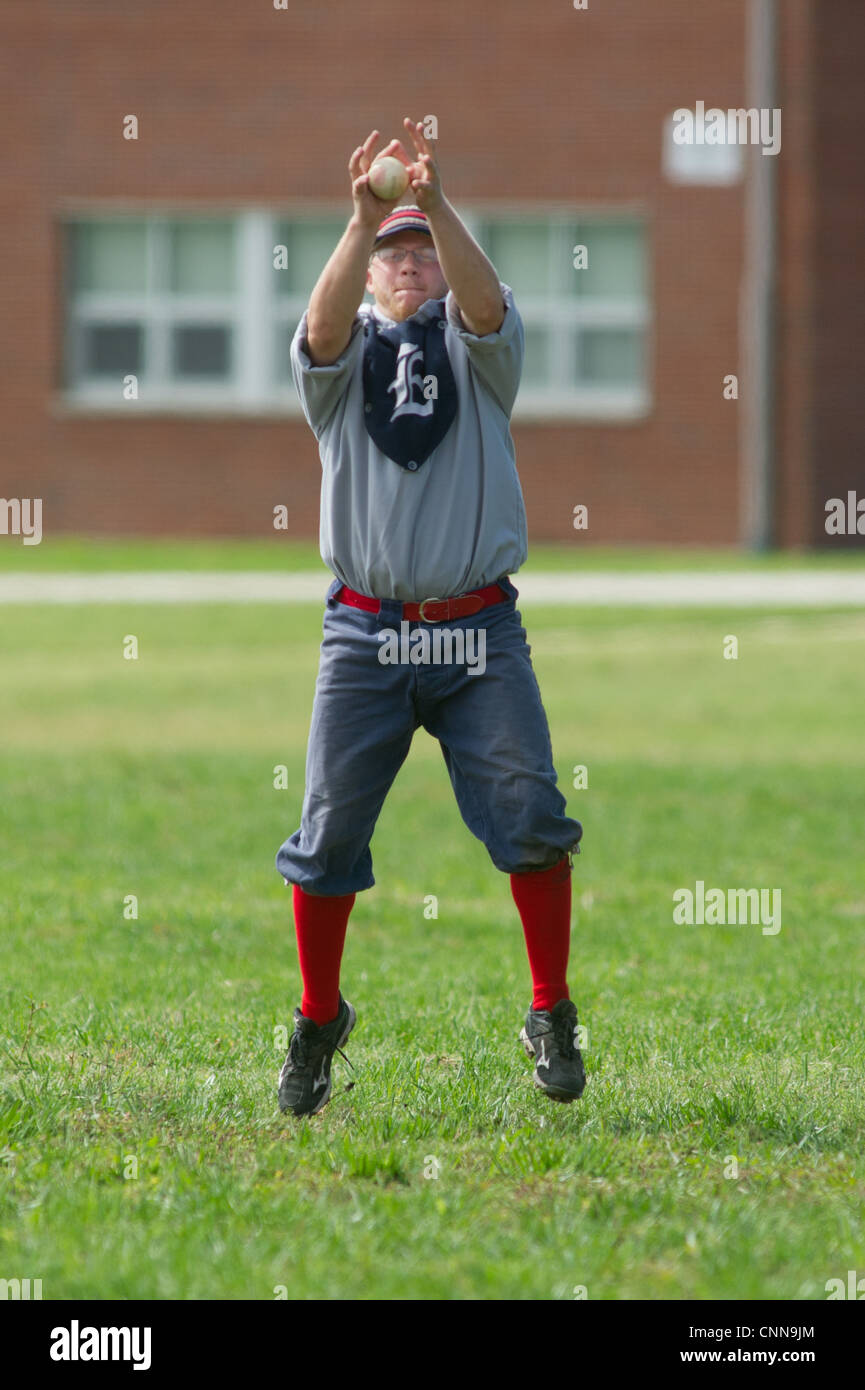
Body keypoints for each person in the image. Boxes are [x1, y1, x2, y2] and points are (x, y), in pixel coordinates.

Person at [275, 118, 585, 1117]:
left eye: (417, 252)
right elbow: (319, 335)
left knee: (533, 817)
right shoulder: (342, 350)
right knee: (324, 842)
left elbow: (488, 304)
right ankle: (319, 1019)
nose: (404, 265)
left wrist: (435, 203)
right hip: (366, 632)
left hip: (476, 632)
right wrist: (357, 220)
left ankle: (550, 1010)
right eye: (389, 254)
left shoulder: (479, 348)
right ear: (368, 274)